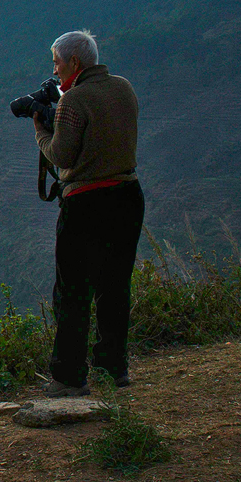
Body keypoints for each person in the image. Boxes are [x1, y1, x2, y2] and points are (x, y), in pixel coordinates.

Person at [30, 30, 144, 397]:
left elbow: (61, 155)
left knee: (73, 291)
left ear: (74, 63)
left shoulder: (74, 101)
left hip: (87, 202)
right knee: (115, 285)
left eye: (57, 63)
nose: (55, 70)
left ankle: (69, 376)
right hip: (127, 195)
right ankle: (114, 369)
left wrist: (40, 131)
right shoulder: (123, 88)